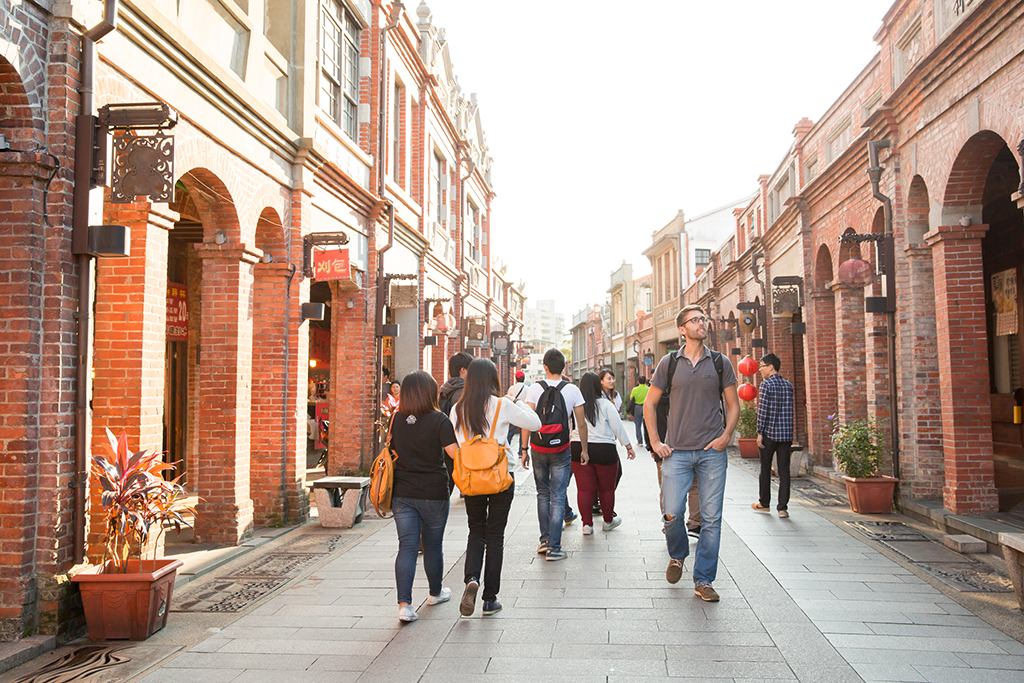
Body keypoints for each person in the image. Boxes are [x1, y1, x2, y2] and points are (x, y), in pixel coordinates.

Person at [644, 305, 739, 602]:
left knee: (711, 519)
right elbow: (649, 404)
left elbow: (734, 405)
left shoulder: (721, 363)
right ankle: (678, 555)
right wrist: (656, 443)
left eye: (703, 318)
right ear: (682, 329)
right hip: (677, 454)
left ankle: (704, 580)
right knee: (672, 514)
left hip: (712, 453)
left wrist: (726, 436)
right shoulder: (669, 364)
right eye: (695, 320)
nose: (702, 323)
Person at [451, 359, 541, 616]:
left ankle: (472, 578)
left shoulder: (457, 409)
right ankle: (490, 599)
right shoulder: (502, 404)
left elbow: (458, 441)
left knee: (475, 530)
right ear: (492, 379)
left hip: (470, 478)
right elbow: (535, 424)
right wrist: (519, 401)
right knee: (496, 536)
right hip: (500, 476)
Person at [388, 371, 459, 622]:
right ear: (430, 393)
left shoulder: (395, 419)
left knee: (406, 546)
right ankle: (435, 592)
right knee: (432, 545)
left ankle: (405, 606)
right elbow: (454, 454)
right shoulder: (439, 420)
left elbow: (391, 451)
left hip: (402, 493)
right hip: (433, 492)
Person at [522, 349, 588, 561]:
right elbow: (581, 423)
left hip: (538, 448)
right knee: (558, 495)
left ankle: (544, 540)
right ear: (565, 367)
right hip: (562, 448)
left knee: (542, 493)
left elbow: (527, 421)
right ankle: (554, 548)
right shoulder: (572, 390)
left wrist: (524, 449)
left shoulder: (534, 389)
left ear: (545, 367)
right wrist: (584, 449)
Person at [571, 372, 635, 534]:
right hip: (604, 449)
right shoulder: (606, 405)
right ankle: (608, 521)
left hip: (578, 447)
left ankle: (587, 525)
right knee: (607, 489)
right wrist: (628, 446)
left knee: (584, 489)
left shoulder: (575, 405)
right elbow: (617, 427)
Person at [751, 353, 795, 518]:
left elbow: (763, 411)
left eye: (762, 366)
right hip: (785, 435)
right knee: (784, 470)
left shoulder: (766, 385)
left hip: (769, 433)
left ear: (770, 367)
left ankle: (764, 503)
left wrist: (760, 432)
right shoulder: (788, 385)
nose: (760, 370)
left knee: (765, 468)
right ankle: (782, 508)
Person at [438, 352, 473, 492]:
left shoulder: (445, 388)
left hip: (446, 439)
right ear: (463, 370)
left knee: (449, 476)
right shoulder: (463, 391)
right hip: (460, 441)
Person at [505, 370, 529, 457]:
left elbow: (508, 400)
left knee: (510, 433)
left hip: (514, 412)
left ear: (516, 378)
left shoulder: (512, 388)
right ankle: (520, 452)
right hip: (524, 413)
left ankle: (506, 450)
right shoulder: (527, 389)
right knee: (523, 434)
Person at [628, 376, 650, 449]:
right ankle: (648, 441)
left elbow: (631, 398)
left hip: (637, 407)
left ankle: (640, 441)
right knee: (647, 425)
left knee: (638, 424)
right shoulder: (648, 389)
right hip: (646, 407)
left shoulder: (635, 389)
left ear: (638, 381)